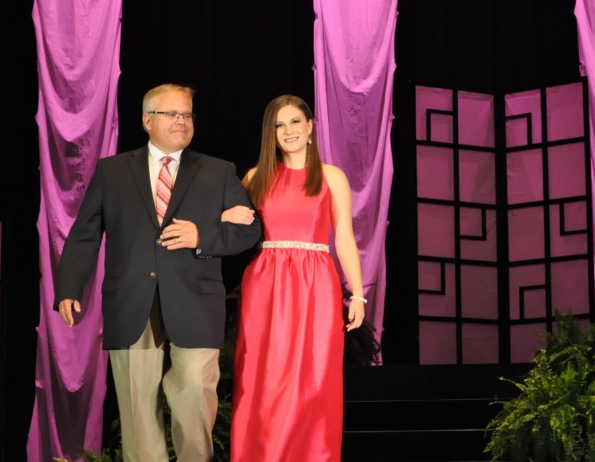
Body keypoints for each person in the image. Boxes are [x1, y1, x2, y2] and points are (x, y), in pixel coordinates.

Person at [54, 83, 263, 462]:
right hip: (132, 301)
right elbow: (84, 234)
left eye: (187, 114)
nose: (182, 121)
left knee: (194, 403)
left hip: (196, 303)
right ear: (147, 120)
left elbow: (249, 230)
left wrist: (203, 235)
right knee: (138, 414)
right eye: (172, 114)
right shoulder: (112, 171)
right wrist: (70, 286)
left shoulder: (218, 171)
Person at [228, 94, 366, 462]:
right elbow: (237, 231)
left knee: (316, 376)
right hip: (265, 283)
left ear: (310, 128)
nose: (287, 131)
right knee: (262, 375)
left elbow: (345, 238)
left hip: (317, 283)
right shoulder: (256, 177)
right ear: (270, 134)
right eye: (279, 125)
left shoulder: (332, 176)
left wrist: (358, 294)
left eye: (294, 122)